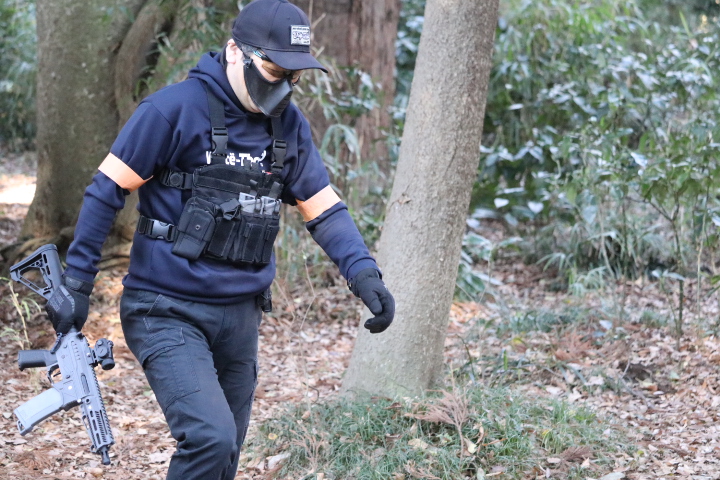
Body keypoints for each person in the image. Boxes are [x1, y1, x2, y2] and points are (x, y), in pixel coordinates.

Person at [43, 0, 395, 478]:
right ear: (235, 52)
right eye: (274, 71)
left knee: (225, 455)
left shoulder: (289, 127)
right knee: (210, 438)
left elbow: (325, 210)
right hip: (164, 308)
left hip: (240, 315)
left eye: (294, 77)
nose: (283, 87)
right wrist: (77, 283)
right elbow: (106, 190)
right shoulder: (171, 110)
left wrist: (364, 274)